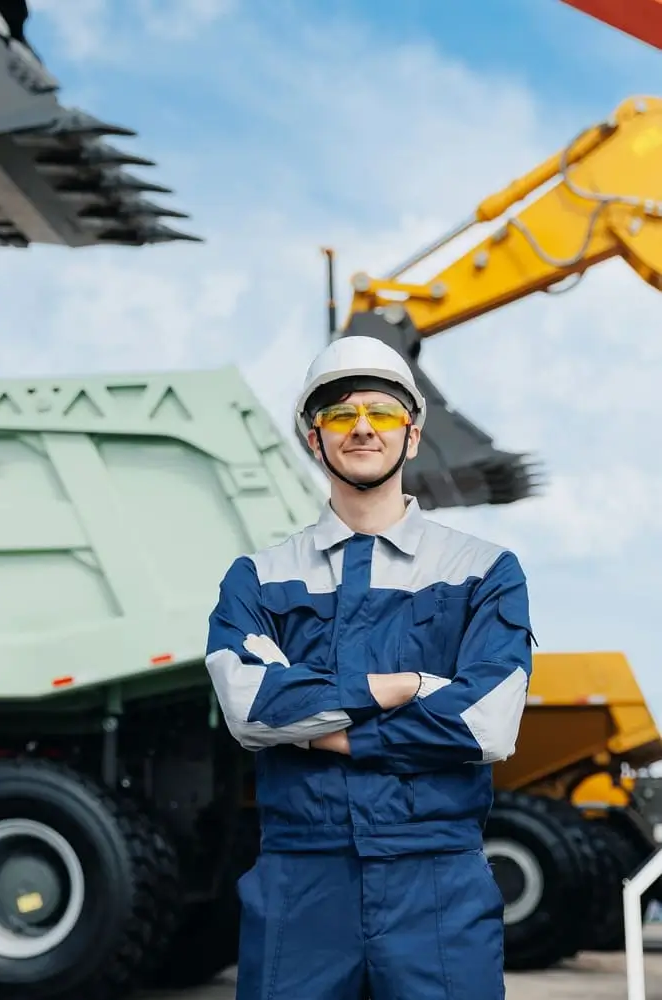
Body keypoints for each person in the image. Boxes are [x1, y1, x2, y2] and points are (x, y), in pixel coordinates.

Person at [205, 334, 536, 1000]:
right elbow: (249, 708)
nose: (361, 427)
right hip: (301, 880)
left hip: (435, 883)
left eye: (381, 413)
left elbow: (485, 727)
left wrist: (330, 729)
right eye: (339, 414)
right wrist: (405, 687)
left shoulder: (484, 573)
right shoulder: (258, 578)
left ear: (411, 436)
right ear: (313, 438)